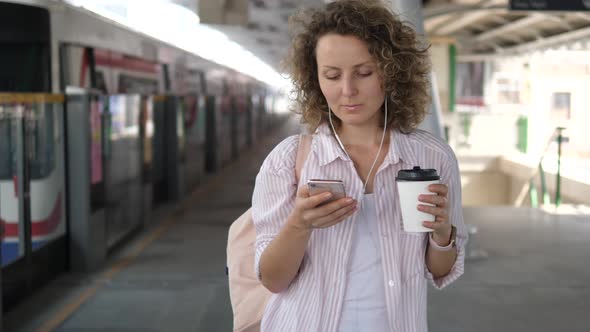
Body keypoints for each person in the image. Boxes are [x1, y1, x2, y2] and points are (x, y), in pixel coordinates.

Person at [251, 1, 467, 331]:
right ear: (315, 79)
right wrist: (299, 225)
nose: (347, 91)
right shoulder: (288, 161)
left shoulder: (432, 158)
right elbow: (273, 280)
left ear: (391, 71)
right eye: (332, 75)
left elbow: (440, 271)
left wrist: (441, 233)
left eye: (364, 73)